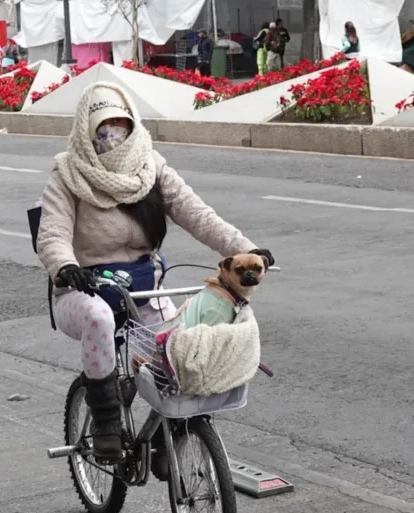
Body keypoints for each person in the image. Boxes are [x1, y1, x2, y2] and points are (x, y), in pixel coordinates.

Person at [35, 82, 273, 473]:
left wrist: (246, 248)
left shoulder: (151, 167)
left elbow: (197, 214)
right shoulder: (68, 172)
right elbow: (53, 232)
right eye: (101, 130)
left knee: (178, 340)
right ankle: (108, 422)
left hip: (142, 287)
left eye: (119, 128)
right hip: (82, 289)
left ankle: (174, 429)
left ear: (132, 127)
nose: (111, 138)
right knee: (99, 319)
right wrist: (65, 266)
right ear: (84, 132)